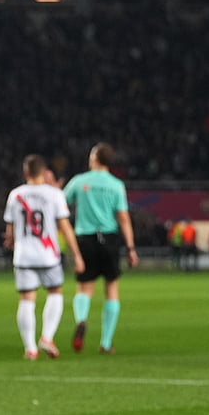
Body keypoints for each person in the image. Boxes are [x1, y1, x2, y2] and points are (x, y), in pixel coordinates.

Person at [3, 155, 84, 360]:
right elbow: (65, 227)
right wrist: (77, 255)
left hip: (23, 256)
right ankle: (47, 337)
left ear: (26, 172)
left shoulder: (15, 195)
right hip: (48, 255)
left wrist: (11, 241)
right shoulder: (54, 194)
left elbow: (10, 231)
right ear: (43, 171)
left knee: (26, 299)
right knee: (55, 292)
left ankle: (30, 348)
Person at [62, 142, 139, 354]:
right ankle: (105, 344)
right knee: (111, 289)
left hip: (85, 238)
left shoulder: (79, 181)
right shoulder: (116, 185)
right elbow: (123, 218)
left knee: (84, 288)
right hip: (109, 238)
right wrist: (131, 248)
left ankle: (81, 320)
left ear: (95, 158)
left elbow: (60, 204)